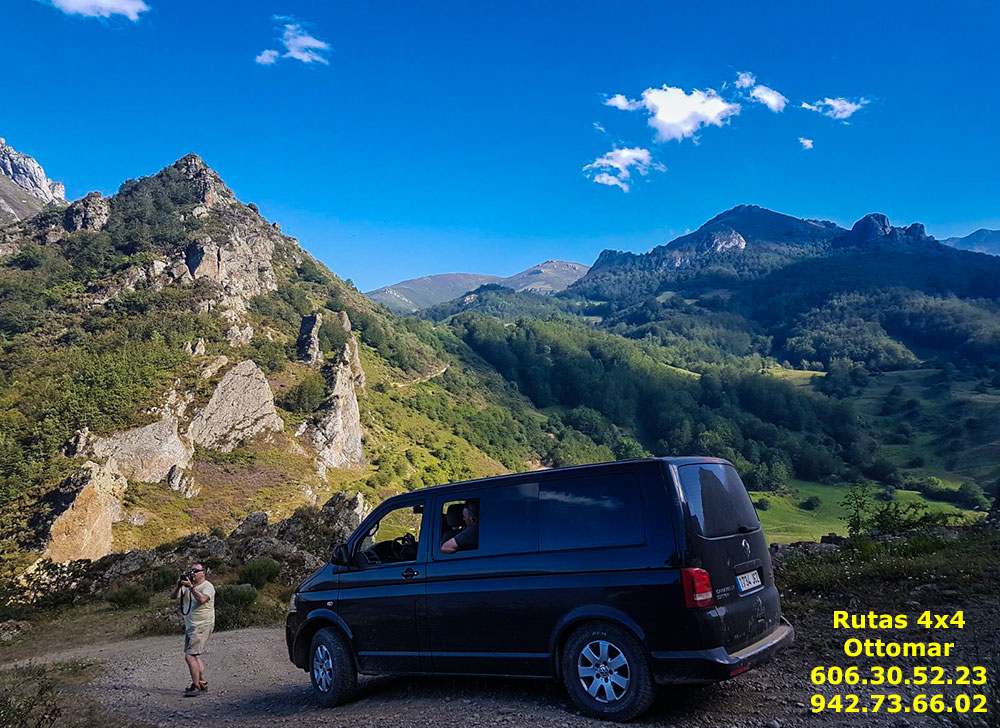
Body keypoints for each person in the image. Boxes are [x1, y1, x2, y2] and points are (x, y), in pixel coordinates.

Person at [170, 563, 216, 697]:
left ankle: (195, 686)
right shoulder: (187, 586)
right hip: (191, 626)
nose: (193, 573)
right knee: (195, 655)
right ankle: (202, 682)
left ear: (204, 573)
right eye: (192, 571)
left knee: (189, 656)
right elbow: (173, 597)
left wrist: (191, 587)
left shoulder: (208, 587)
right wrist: (180, 585)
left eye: (196, 571)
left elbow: (202, 599)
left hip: (202, 625)